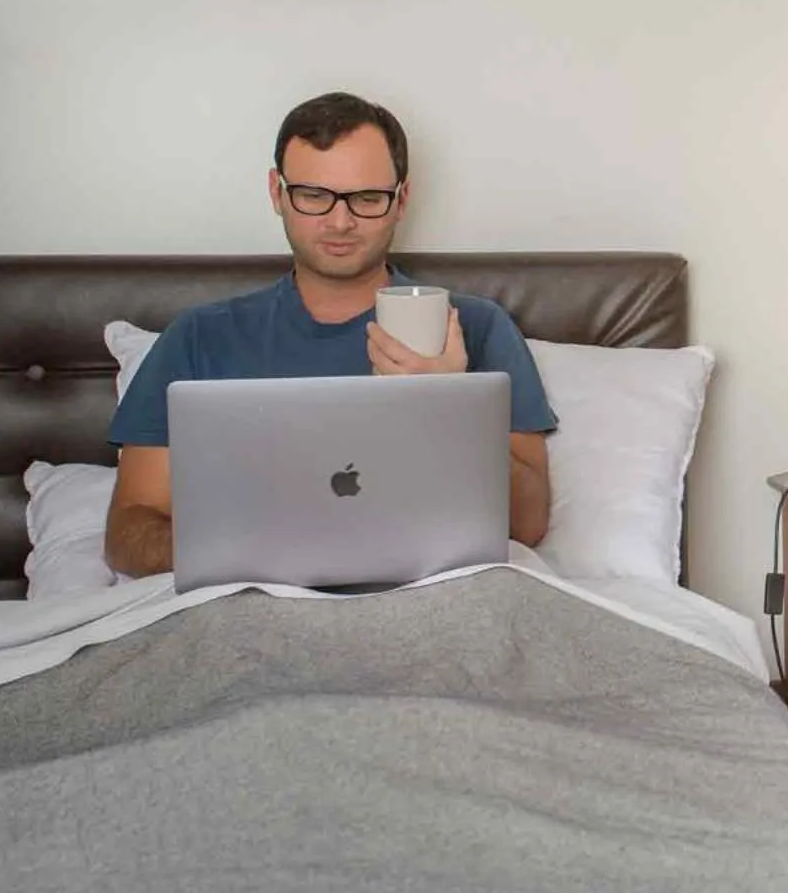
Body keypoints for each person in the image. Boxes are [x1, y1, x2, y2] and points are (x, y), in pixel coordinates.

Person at [104, 92, 556, 577]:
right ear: (277, 193)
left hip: (431, 603)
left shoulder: (476, 328)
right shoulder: (200, 337)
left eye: (366, 199)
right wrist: (254, 555)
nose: (340, 222)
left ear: (400, 200)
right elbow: (128, 531)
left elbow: (527, 525)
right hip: (250, 607)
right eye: (315, 196)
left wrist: (445, 406)